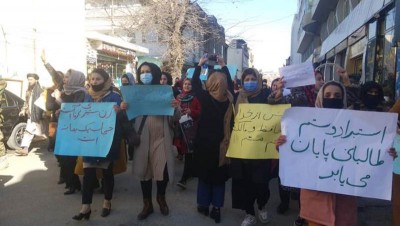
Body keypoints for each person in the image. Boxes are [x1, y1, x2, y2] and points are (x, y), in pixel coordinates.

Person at [276, 81, 357, 226]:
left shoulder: (354, 125)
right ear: (320, 98)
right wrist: (282, 145)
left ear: (343, 98)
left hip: (343, 200)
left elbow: (367, 152)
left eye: (337, 95)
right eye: (328, 95)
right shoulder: (306, 122)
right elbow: (295, 152)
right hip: (315, 199)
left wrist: (385, 154)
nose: (332, 98)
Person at [121, 62, 180, 220]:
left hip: (162, 138)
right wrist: (124, 107)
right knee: (144, 172)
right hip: (142, 138)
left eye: (148, 71)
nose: (145, 74)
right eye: (142, 72)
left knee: (163, 171)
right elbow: (128, 118)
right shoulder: (135, 93)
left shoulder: (165, 92)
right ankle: (147, 204)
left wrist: (175, 107)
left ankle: (161, 198)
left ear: (155, 73)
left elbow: (175, 118)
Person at [72, 68, 123, 220]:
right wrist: (65, 114)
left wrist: (119, 112)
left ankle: (107, 202)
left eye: (98, 79)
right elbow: (79, 115)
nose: (94, 82)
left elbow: (123, 118)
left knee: (107, 174)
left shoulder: (115, 97)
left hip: (106, 141)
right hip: (89, 141)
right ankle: (85, 208)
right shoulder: (86, 96)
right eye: (92, 79)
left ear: (105, 80)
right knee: (88, 175)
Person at [192, 55, 234, 224]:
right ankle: (216, 209)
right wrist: (223, 67)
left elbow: (195, 83)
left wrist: (199, 65)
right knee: (218, 180)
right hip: (222, 146)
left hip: (204, 145)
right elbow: (230, 84)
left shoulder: (205, 97)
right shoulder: (229, 99)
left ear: (210, 83)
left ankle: (203, 205)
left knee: (204, 178)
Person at [229, 68, 272, 226]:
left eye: (252, 79)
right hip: (242, 148)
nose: (249, 82)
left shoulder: (267, 96)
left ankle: (262, 206)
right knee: (244, 183)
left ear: (258, 80)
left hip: (262, 148)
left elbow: (277, 110)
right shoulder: (236, 97)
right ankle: (249, 213)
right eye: (246, 79)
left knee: (261, 183)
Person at [52, 69, 86, 195]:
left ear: (75, 79)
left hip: (76, 129)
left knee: (71, 158)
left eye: (67, 77)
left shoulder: (81, 93)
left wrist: (59, 100)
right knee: (64, 157)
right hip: (66, 127)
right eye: (65, 77)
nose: (65, 79)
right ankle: (73, 183)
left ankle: (75, 184)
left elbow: (75, 110)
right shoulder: (66, 90)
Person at [175, 78, 201, 190]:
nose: (187, 86)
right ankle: (191, 173)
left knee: (189, 152)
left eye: (189, 84)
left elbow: (200, 112)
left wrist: (192, 112)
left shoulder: (195, 98)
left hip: (191, 129)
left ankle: (184, 178)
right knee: (185, 152)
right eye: (185, 84)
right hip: (180, 128)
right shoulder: (178, 97)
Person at [16, 73, 44, 156]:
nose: (29, 81)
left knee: (33, 131)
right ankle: (25, 149)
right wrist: (23, 110)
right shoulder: (29, 90)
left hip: (37, 114)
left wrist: (40, 114)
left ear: (36, 80)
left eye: (31, 79)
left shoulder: (40, 90)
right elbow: (27, 102)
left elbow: (42, 104)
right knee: (29, 131)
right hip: (31, 115)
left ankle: (25, 149)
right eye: (28, 79)